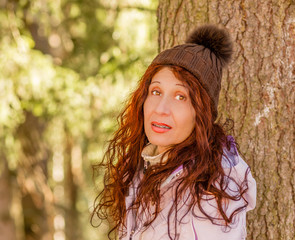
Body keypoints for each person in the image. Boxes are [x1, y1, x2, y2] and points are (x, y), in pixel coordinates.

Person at [92, 24, 256, 240]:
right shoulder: (141, 168)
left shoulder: (212, 189)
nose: (161, 108)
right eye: (156, 91)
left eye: (181, 96)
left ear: (201, 113)